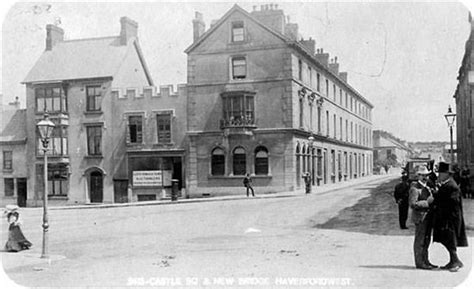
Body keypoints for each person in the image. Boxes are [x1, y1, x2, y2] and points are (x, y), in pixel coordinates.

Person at [432, 162, 468, 272]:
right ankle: (454, 261)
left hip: (450, 218)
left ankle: (455, 261)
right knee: (446, 239)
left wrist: (437, 196)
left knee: (449, 239)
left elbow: (452, 202)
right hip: (446, 217)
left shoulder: (452, 186)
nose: (439, 175)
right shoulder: (447, 184)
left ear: (447, 174)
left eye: (441, 173)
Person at [408, 165, 437, 269]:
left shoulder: (428, 187)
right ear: (418, 176)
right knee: (420, 241)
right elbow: (412, 204)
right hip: (420, 218)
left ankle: (426, 261)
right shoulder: (415, 188)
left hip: (428, 217)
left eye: (426, 175)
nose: (425, 177)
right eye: (422, 175)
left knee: (426, 240)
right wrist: (426, 202)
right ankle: (420, 263)